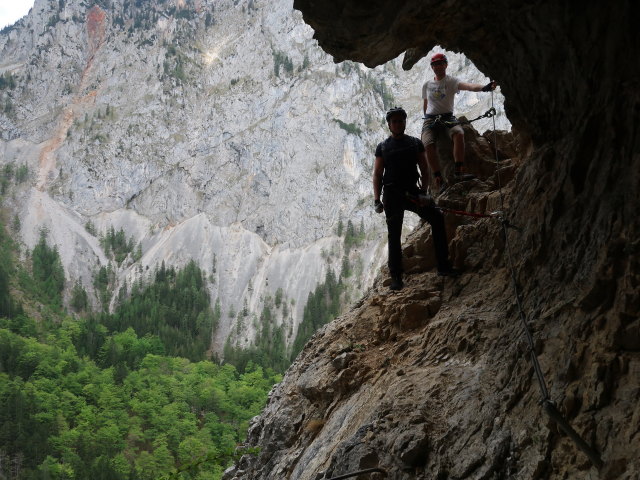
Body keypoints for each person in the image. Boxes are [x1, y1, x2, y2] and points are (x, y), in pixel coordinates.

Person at [373, 107, 458, 291]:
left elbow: (424, 166)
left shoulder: (414, 143)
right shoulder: (382, 147)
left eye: (400, 121)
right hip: (392, 195)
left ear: (404, 122)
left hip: (412, 193)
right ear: (389, 125)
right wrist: (376, 199)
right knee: (394, 235)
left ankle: (443, 265)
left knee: (437, 218)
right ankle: (396, 277)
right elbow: (378, 174)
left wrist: (424, 191)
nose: (397, 124)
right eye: (394, 121)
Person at [421, 52, 497, 190]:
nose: (437, 67)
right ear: (432, 67)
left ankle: (459, 171)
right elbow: (425, 105)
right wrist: (426, 119)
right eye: (435, 65)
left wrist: (485, 88)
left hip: (447, 117)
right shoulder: (427, 85)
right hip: (430, 119)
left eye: (440, 64)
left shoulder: (452, 81)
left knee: (459, 133)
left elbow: (469, 86)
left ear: (445, 65)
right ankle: (438, 177)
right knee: (427, 144)